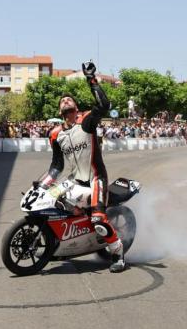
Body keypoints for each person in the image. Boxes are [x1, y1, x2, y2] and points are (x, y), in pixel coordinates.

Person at [39, 61, 125, 273]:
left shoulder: (86, 121)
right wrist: (42, 185)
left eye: (69, 99)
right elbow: (56, 165)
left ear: (75, 107)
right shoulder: (55, 134)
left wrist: (91, 79)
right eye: (62, 100)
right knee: (51, 203)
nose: (65, 100)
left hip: (97, 178)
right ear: (59, 110)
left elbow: (104, 106)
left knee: (98, 218)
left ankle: (118, 253)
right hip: (75, 179)